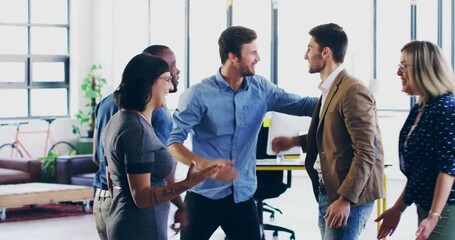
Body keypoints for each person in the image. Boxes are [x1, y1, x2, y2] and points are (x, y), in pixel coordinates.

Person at [167, 25, 318, 240]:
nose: (259, 57)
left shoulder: (261, 89)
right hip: (204, 195)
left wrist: (343, 99)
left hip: (242, 196)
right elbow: (174, 143)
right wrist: (202, 163)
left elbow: (303, 105)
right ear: (233, 57)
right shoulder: (198, 95)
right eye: (253, 52)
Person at [271, 23, 384, 240]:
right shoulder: (331, 89)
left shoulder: (352, 90)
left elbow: (366, 151)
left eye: (309, 48)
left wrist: (345, 199)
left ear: (325, 52)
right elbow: (335, 136)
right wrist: (295, 141)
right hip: (329, 191)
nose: (305, 55)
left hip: (348, 195)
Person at [102, 53, 221, 240]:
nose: (171, 87)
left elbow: (112, 181)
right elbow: (141, 197)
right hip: (139, 228)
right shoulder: (137, 130)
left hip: (125, 220)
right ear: (149, 82)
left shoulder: (119, 120)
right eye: (167, 80)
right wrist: (187, 184)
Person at [92, 45, 183, 240]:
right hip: (138, 219)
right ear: (150, 78)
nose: (174, 78)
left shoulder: (111, 109)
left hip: (108, 204)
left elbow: (99, 160)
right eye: (168, 74)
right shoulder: (145, 123)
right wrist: (186, 192)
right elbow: (145, 191)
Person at [375, 41, 455, 240]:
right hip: (428, 206)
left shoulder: (446, 107)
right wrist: (398, 209)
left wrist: (434, 216)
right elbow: (420, 171)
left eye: (404, 65)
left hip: (445, 209)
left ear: (423, 69)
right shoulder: (421, 108)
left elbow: (448, 168)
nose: (398, 72)